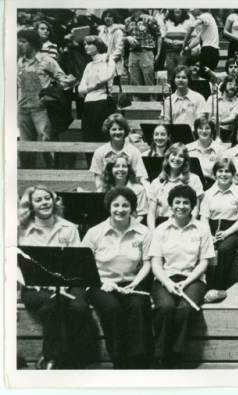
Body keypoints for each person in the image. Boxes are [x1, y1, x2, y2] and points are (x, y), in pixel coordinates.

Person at [17, 185, 96, 369]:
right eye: (38, 200)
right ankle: (54, 358)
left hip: (68, 282)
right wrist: (40, 283)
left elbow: (77, 263)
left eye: (47, 198)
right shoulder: (21, 230)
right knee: (55, 303)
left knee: (79, 307)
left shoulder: (69, 228)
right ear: (31, 205)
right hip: (34, 286)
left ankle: (55, 357)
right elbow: (15, 265)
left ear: (54, 200)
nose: (44, 203)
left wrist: (61, 284)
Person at [83, 187, 152, 369]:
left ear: (132, 208)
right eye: (116, 205)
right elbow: (83, 266)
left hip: (132, 282)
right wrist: (103, 282)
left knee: (138, 305)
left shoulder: (144, 232)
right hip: (100, 283)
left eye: (125, 205)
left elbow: (147, 263)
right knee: (112, 308)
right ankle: (120, 360)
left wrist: (136, 283)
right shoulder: (94, 233)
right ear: (109, 207)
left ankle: (139, 360)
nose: (120, 209)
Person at [149, 184, 214, 368]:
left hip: (193, 279)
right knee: (165, 308)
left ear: (192, 206)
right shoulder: (161, 229)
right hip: (165, 278)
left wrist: (187, 281)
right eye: (177, 202)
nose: (181, 206)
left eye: (186, 202)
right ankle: (161, 355)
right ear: (171, 204)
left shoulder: (202, 229)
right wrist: (168, 283)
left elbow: (204, 262)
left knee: (185, 309)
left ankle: (176, 355)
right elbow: (156, 263)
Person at [198, 159, 238, 304]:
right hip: (212, 229)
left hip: (235, 231)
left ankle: (218, 288)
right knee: (204, 248)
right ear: (215, 174)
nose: (223, 174)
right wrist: (208, 235)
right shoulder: (208, 194)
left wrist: (226, 233)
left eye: (227, 171)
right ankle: (203, 287)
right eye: (220, 171)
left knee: (224, 249)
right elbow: (204, 217)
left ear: (232, 174)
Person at [18, 28, 74, 168]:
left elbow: (64, 80)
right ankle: (28, 175)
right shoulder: (20, 62)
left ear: (32, 43)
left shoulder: (46, 60)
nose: (20, 45)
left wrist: (52, 95)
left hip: (41, 109)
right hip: (22, 109)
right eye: (19, 42)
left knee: (46, 142)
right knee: (25, 145)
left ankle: (49, 173)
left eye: (23, 42)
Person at [147, 143, 204, 226]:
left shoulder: (194, 179)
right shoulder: (157, 182)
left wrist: (188, 227)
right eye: (173, 154)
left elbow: (195, 209)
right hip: (162, 224)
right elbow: (151, 213)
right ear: (167, 157)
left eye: (181, 156)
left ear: (185, 161)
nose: (176, 158)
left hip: (185, 223)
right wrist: (152, 232)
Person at [90, 113, 149, 191]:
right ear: (108, 131)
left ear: (125, 130)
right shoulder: (99, 152)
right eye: (114, 129)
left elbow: (140, 176)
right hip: (107, 191)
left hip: (129, 192)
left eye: (120, 129)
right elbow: (98, 178)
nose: (117, 132)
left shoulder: (134, 152)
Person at [78, 36, 116, 143]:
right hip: (88, 104)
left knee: (102, 137)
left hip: (102, 102)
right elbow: (80, 89)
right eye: (85, 44)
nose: (86, 47)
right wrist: (93, 87)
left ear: (98, 45)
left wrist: (104, 60)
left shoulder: (108, 60)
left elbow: (104, 78)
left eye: (89, 44)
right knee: (88, 137)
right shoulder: (89, 65)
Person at [100, 154, 151, 221]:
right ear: (111, 169)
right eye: (116, 166)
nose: (121, 169)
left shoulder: (139, 189)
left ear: (128, 169)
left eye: (124, 166)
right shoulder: (105, 188)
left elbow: (141, 214)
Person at [200, 75, 238, 143]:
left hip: (228, 134)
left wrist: (218, 122)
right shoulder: (212, 98)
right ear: (224, 85)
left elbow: (232, 118)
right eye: (230, 84)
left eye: (236, 85)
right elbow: (205, 115)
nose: (233, 87)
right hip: (211, 131)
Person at [160, 66, 207, 130]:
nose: (180, 80)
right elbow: (165, 123)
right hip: (174, 136)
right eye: (178, 77)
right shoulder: (168, 100)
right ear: (174, 80)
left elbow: (200, 122)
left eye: (184, 77)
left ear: (189, 80)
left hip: (193, 135)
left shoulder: (199, 98)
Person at [122, 9, 159, 87]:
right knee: (135, 82)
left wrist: (158, 53)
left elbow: (159, 35)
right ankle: (137, 99)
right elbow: (122, 37)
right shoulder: (128, 21)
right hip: (132, 53)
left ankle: (152, 98)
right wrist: (128, 38)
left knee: (149, 80)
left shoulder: (150, 19)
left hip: (146, 51)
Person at [186, 117, 229, 184]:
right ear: (196, 130)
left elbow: (224, 173)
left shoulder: (220, 150)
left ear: (212, 130)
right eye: (200, 128)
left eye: (207, 128)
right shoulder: (187, 148)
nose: (204, 131)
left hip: (212, 185)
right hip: (191, 185)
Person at [184, 9, 221, 80]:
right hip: (213, 53)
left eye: (193, 10)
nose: (193, 13)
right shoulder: (207, 26)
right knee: (205, 77)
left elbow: (192, 26)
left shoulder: (206, 15)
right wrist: (186, 48)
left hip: (208, 51)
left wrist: (184, 42)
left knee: (202, 77)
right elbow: (198, 39)